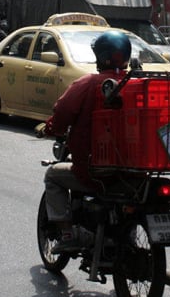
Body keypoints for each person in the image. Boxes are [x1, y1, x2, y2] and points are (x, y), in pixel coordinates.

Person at [42, 30, 132, 252]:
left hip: (96, 171)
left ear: (101, 57)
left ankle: (67, 233)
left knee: (53, 175)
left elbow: (63, 112)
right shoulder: (137, 84)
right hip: (134, 173)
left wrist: (50, 128)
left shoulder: (89, 83)